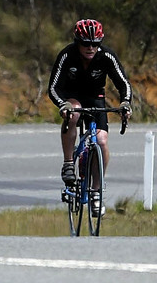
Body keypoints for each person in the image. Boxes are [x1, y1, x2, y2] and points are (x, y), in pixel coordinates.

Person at [48, 18, 133, 216]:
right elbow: (53, 87)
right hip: (73, 97)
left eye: (96, 43)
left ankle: (96, 191)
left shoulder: (106, 56)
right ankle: (68, 163)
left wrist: (125, 103)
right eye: (86, 43)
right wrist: (63, 104)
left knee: (102, 140)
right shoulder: (67, 55)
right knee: (74, 114)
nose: (91, 48)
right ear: (77, 42)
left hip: (96, 98)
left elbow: (123, 84)